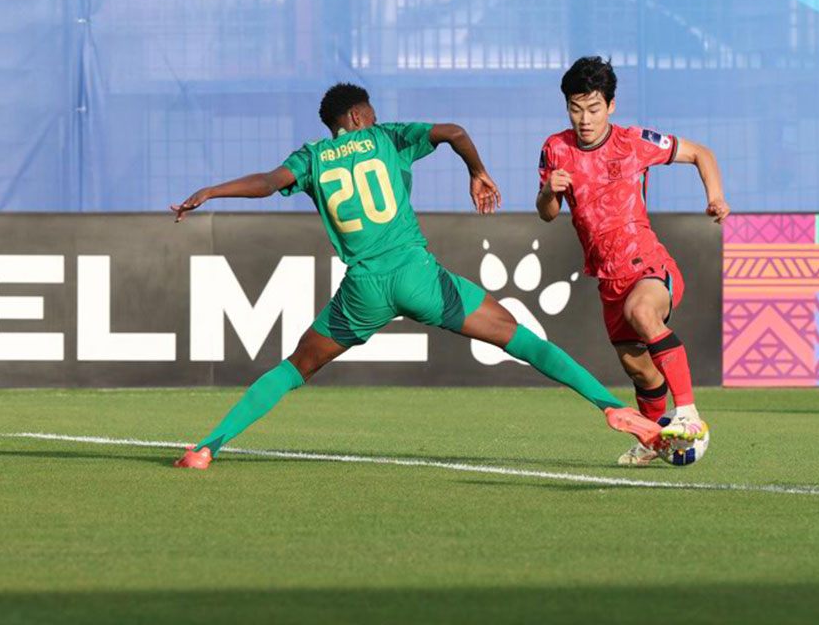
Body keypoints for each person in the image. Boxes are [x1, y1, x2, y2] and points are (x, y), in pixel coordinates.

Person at [169, 83, 659, 469]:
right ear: (359, 117)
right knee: (520, 338)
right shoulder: (385, 137)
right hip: (417, 276)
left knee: (294, 368)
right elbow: (453, 131)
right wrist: (477, 171)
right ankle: (610, 407)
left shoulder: (312, 158)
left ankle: (207, 448)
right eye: (372, 113)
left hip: (364, 291)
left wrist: (210, 191)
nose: (376, 119)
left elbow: (267, 183)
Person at [536, 57, 729, 466]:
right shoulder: (556, 148)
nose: (584, 119)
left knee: (642, 312)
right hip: (608, 279)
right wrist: (549, 192)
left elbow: (701, 154)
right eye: (575, 108)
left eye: (593, 108)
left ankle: (688, 415)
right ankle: (654, 437)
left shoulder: (633, 142)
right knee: (638, 371)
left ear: (611, 106)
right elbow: (548, 213)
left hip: (648, 265)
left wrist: (715, 197)